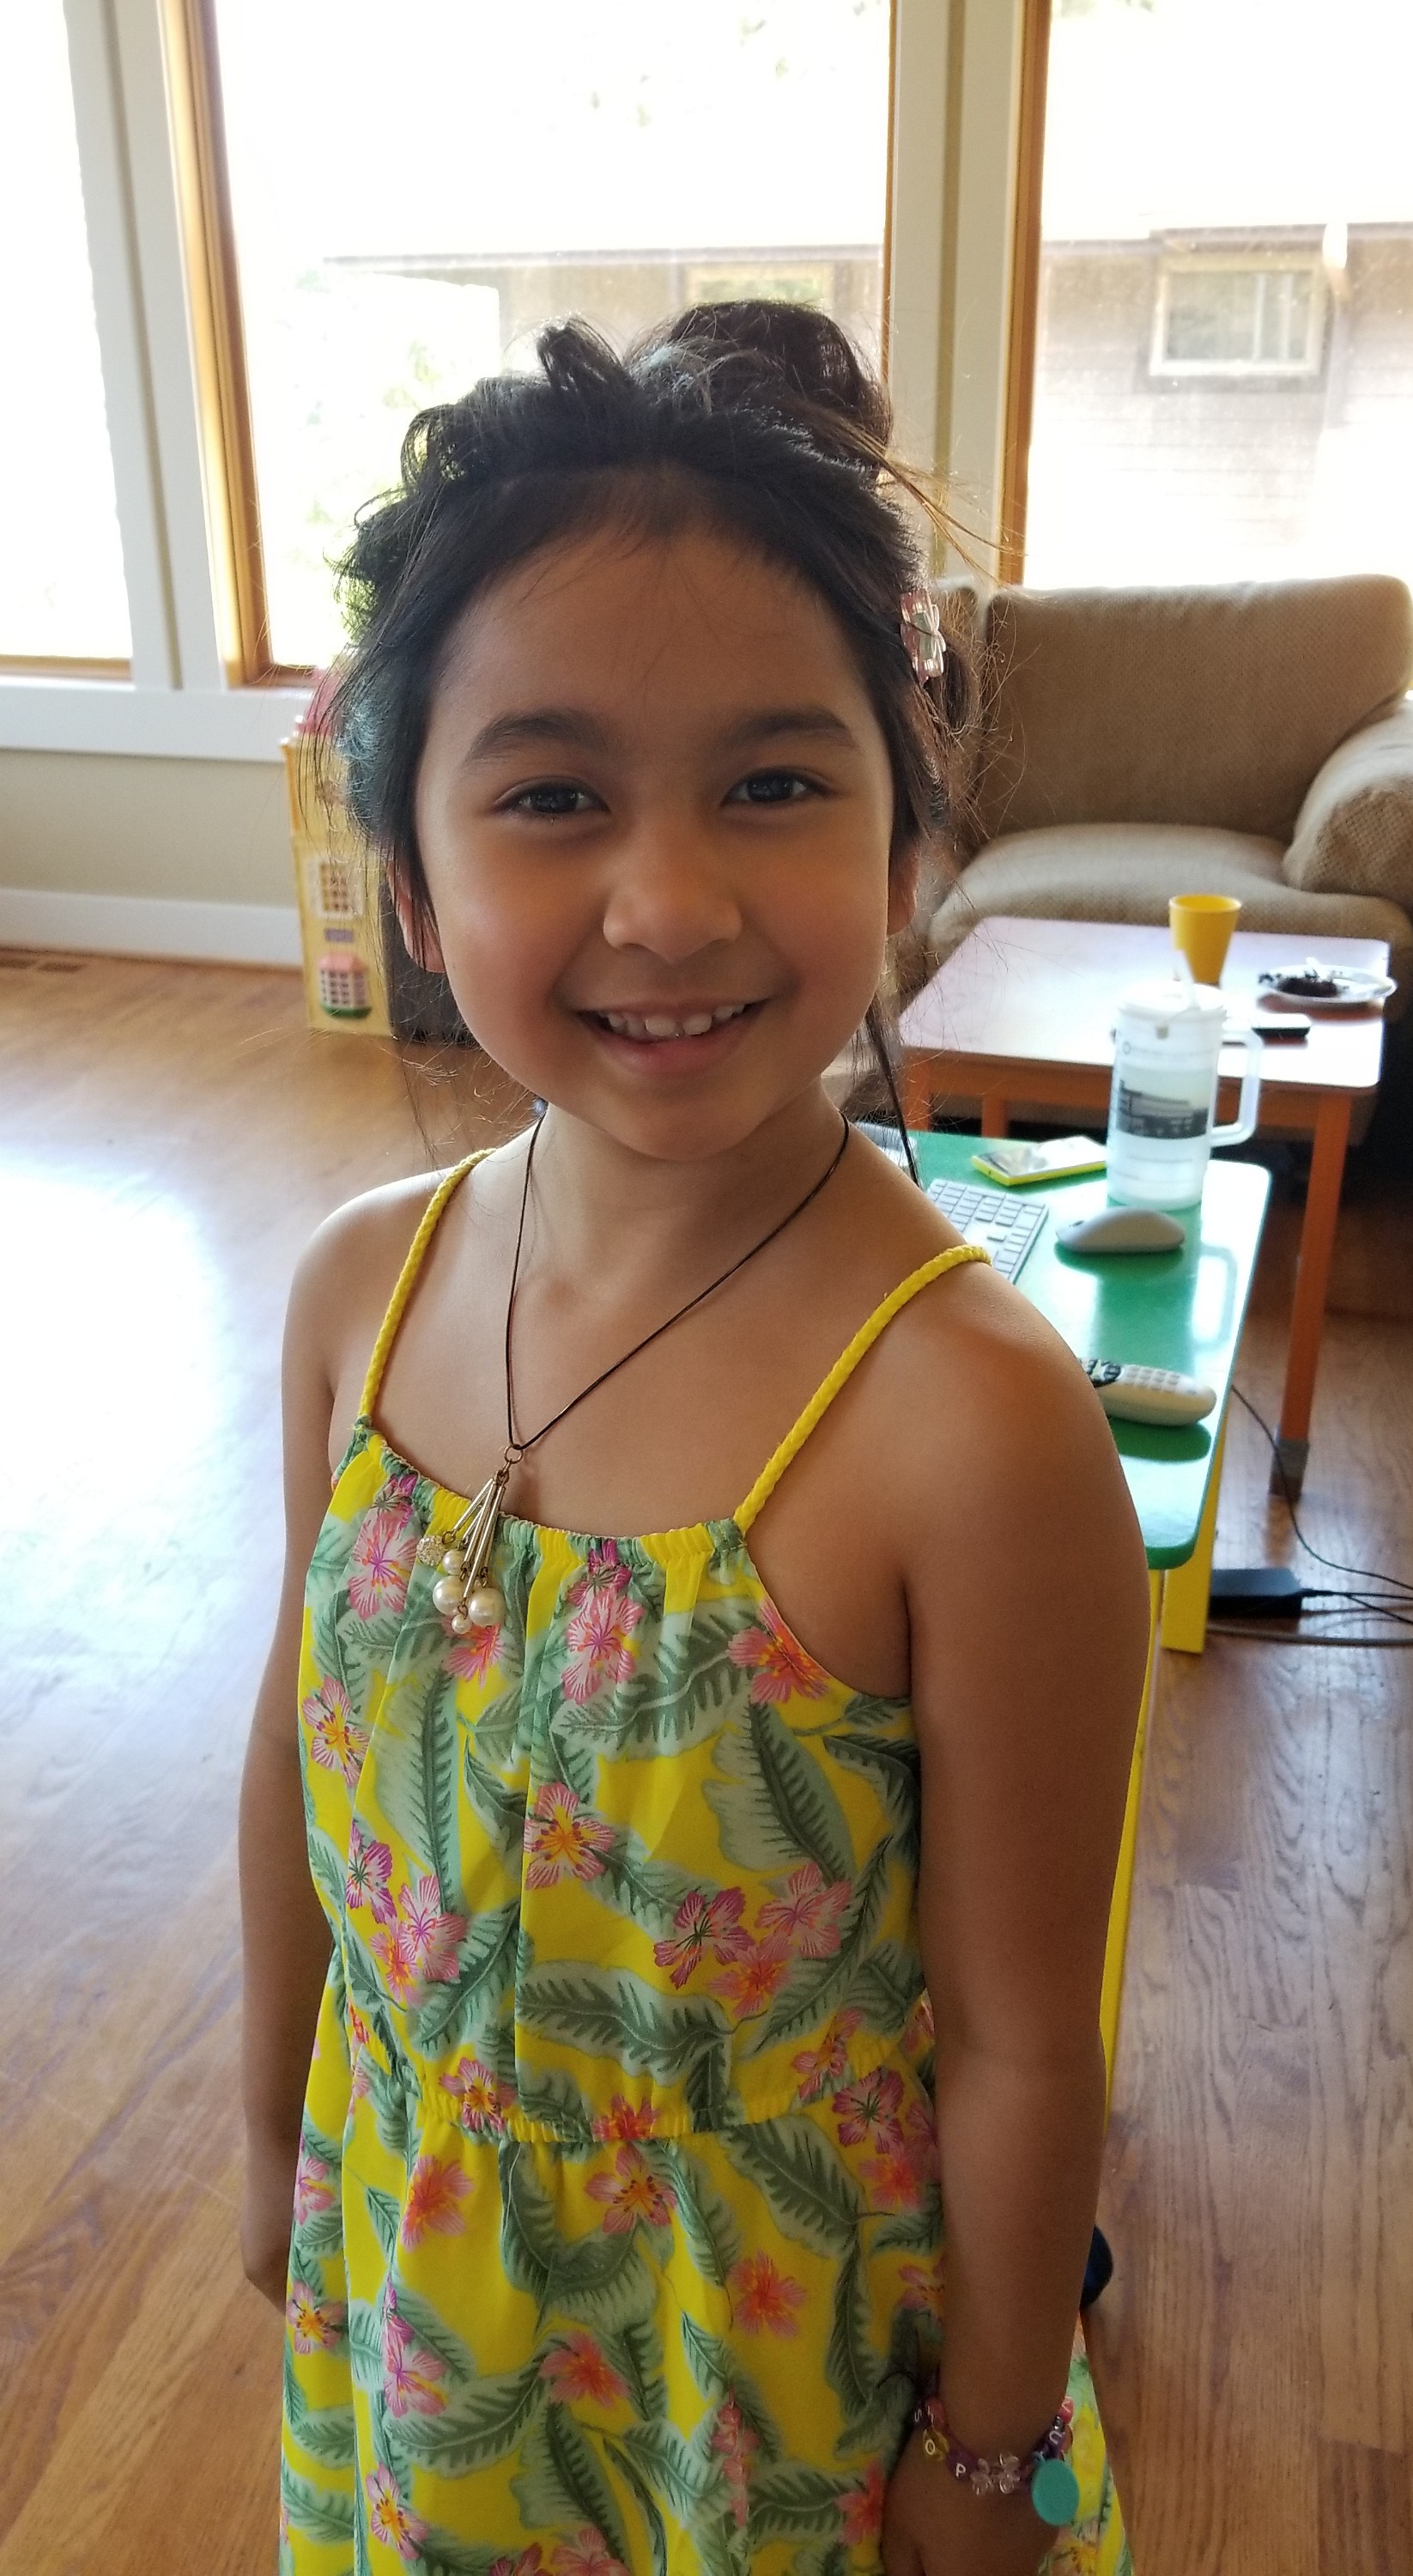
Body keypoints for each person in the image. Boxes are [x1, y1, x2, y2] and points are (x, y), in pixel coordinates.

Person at [240, 302, 1148, 2576]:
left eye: (772, 784)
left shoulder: (974, 1426)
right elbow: (300, 1757)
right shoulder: (359, 1295)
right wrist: (271, 2130)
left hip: (774, 2402)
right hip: (422, 2305)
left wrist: (987, 2456)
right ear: (414, 882)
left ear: (911, 834)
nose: (669, 903)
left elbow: (1025, 2044)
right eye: (552, 796)